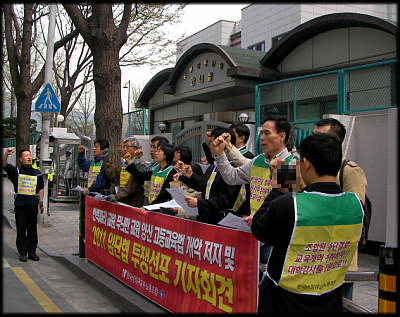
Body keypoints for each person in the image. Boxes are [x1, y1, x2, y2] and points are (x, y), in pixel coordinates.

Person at [250, 133, 363, 313]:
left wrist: (281, 187)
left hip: (285, 302)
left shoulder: (289, 204)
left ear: (307, 163)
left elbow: (259, 228)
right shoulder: (356, 205)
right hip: (330, 298)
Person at [211, 116, 299, 264]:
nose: (262, 138)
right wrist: (220, 155)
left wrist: (262, 217)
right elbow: (232, 177)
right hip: (253, 233)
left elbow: (285, 204)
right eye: (261, 134)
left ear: (282, 136)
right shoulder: (258, 161)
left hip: (273, 240)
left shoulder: (291, 164)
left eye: (267, 133)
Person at [313, 117, 368, 301]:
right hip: (308, 258)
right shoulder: (300, 166)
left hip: (338, 258)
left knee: (342, 305)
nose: (312, 141)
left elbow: (353, 214)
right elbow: (285, 198)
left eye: (319, 137)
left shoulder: (350, 171)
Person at [176, 127, 246, 224]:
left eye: (212, 142)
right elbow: (205, 186)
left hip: (221, 223)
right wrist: (190, 175)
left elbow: (226, 200)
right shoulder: (213, 167)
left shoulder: (232, 169)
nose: (209, 146)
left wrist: (199, 203)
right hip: (206, 219)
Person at [3, 148, 44, 262]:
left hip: (32, 205)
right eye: (26, 156)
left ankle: (32, 251)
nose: (29, 157)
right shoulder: (16, 171)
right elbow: (4, 165)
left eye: (30, 155)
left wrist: (41, 202)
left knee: (32, 229)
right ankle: (23, 252)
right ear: (20, 159)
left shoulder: (37, 173)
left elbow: (40, 188)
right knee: (21, 229)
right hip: (21, 206)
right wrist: (6, 154)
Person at [126, 142, 177, 206]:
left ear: (166, 154)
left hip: (162, 209)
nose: (155, 153)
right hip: (152, 206)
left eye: (159, 151)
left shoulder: (171, 172)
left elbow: (164, 196)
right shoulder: (156, 169)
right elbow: (140, 176)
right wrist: (129, 162)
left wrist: (149, 208)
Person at [102, 136, 144, 207]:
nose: (124, 149)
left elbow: (132, 185)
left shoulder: (140, 165)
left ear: (136, 149)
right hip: (122, 201)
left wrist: (117, 196)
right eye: (123, 147)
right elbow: (113, 174)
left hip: (132, 204)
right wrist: (106, 159)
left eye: (127, 147)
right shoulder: (124, 164)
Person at [130, 136, 169, 205]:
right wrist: (136, 159)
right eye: (151, 147)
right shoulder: (153, 164)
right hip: (147, 200)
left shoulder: (170, 169)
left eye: (154, 147)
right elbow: (140, 175)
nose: (151, 150)